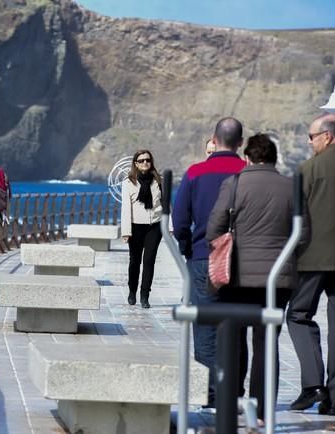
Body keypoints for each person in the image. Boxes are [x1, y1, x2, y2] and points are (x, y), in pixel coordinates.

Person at [206, 134, 309, 423]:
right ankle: (263, 411)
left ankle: (233, 401)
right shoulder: (292, 187)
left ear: (248, 158)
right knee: (267, 342)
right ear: (275, 158)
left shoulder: (234, 184)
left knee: (234, 338)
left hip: (236, 275)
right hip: (277, 278)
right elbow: (304, 234)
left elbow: (214, 228)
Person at [172, 117, 246, 409]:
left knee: (204, 326)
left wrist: (187, 246)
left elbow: (179, 221)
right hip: (241, 260)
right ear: (240, 142)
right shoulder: (247, 172)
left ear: (213, 140)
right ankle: (234, 390)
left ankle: (209, 392)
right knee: (238, 325)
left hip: (203, 257)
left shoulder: (195, 173)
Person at [287, 112, 335, 414]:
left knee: (298, 315)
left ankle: (312, 385)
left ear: (328, 136)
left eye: (312, 136)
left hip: (311, 257)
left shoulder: (307, 170)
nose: (309, 142)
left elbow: (296, 218)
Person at [120, 150, 166, 309]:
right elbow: (126, 208)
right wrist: (126, 231)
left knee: (149, 261)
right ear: (136, 163)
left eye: (148, 160)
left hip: (155, 226)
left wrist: (170, 227)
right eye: (141, 160)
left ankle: (145, 295)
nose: (145, 162)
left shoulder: (159, 180)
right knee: (135, 261)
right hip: (136, 227)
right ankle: (132, 290)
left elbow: (166, 205)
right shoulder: (128, 182)